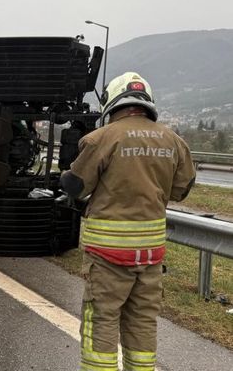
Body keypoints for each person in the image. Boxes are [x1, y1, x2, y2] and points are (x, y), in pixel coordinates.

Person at [60, 72, 195, 371]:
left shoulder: (102, 138)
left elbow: (77, 186)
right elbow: (181, 190)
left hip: (108, 256)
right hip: (150, 255)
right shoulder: (174, 141)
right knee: (143, 322)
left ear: (113, 102)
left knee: (103, 319)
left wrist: (65, 175)